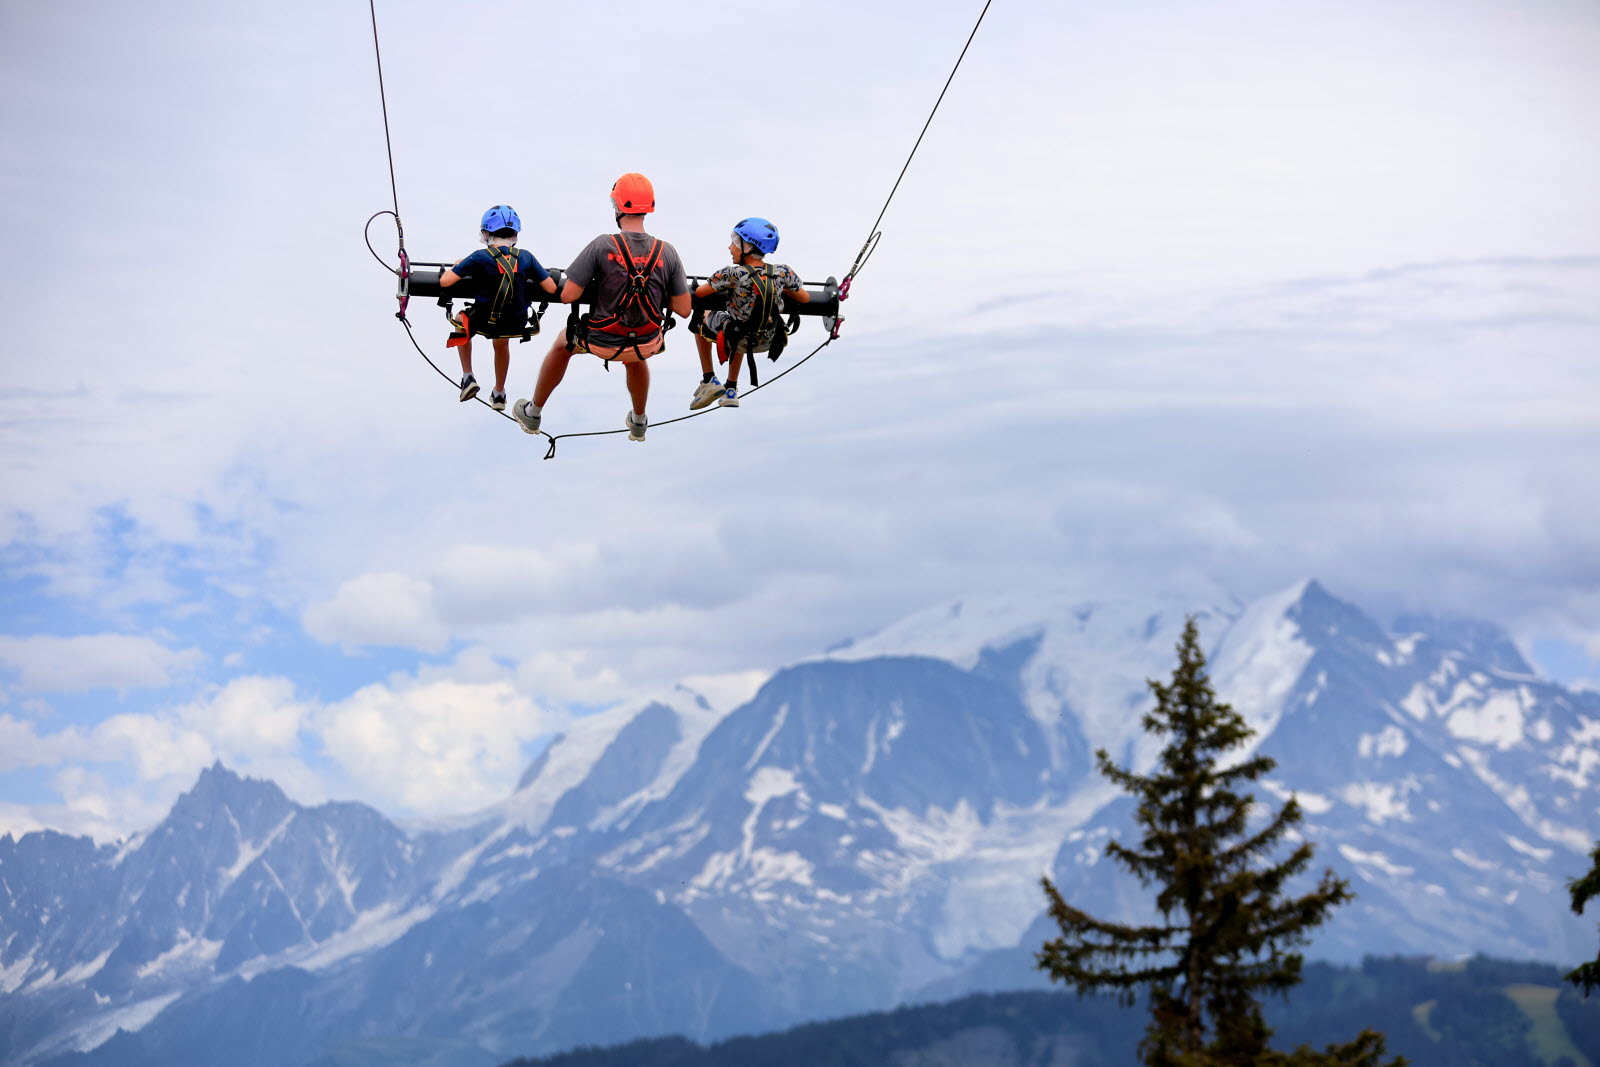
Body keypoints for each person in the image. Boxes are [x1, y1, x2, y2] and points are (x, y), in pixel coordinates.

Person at [511, 174, 690, 443]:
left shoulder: (603, 245)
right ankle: (639, 422)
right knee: (635, 355)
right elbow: (684, 309)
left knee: (562, 343)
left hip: (601, 341)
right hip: (647, 343)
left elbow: (569, 295)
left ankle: (533, 412)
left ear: (617, 207)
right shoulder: (668, 252)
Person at [439, 204, 557, 410]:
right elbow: (551, 287)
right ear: (515, 234)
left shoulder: (478, 257)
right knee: (501, 343)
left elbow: (445, 281)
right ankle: (499, 393)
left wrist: (459, 265)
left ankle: (468, 376)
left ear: (486, 234)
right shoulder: (526, 257)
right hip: (514, 323)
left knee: (460, 320)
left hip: (483, 320)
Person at [689, 217, 810, 411]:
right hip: (768, 340)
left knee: (703, 313)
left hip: (737, 337)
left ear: (747, 246)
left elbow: (701, 293)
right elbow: (804, 298)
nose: (730, 247)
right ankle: (731, 388)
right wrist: (780, 289)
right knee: (741, 325)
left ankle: (709, 378)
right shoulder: (783, 272)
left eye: (735, 242)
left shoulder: (732, 274)